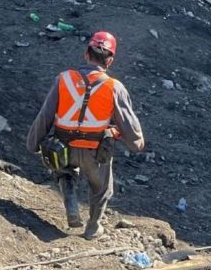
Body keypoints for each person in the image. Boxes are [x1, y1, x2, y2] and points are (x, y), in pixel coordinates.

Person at [26, 31, 145, 239]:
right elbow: (130, 128)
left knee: (63, 170)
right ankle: (93, 227)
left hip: (63, 149)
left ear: (86, 54)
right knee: (102, 189)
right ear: (109, 60)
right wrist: (135, 142)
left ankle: (71, 203)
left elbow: (45, 115)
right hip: (95, 153)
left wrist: (33, 143)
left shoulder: (63, 79)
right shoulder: (114, 87)